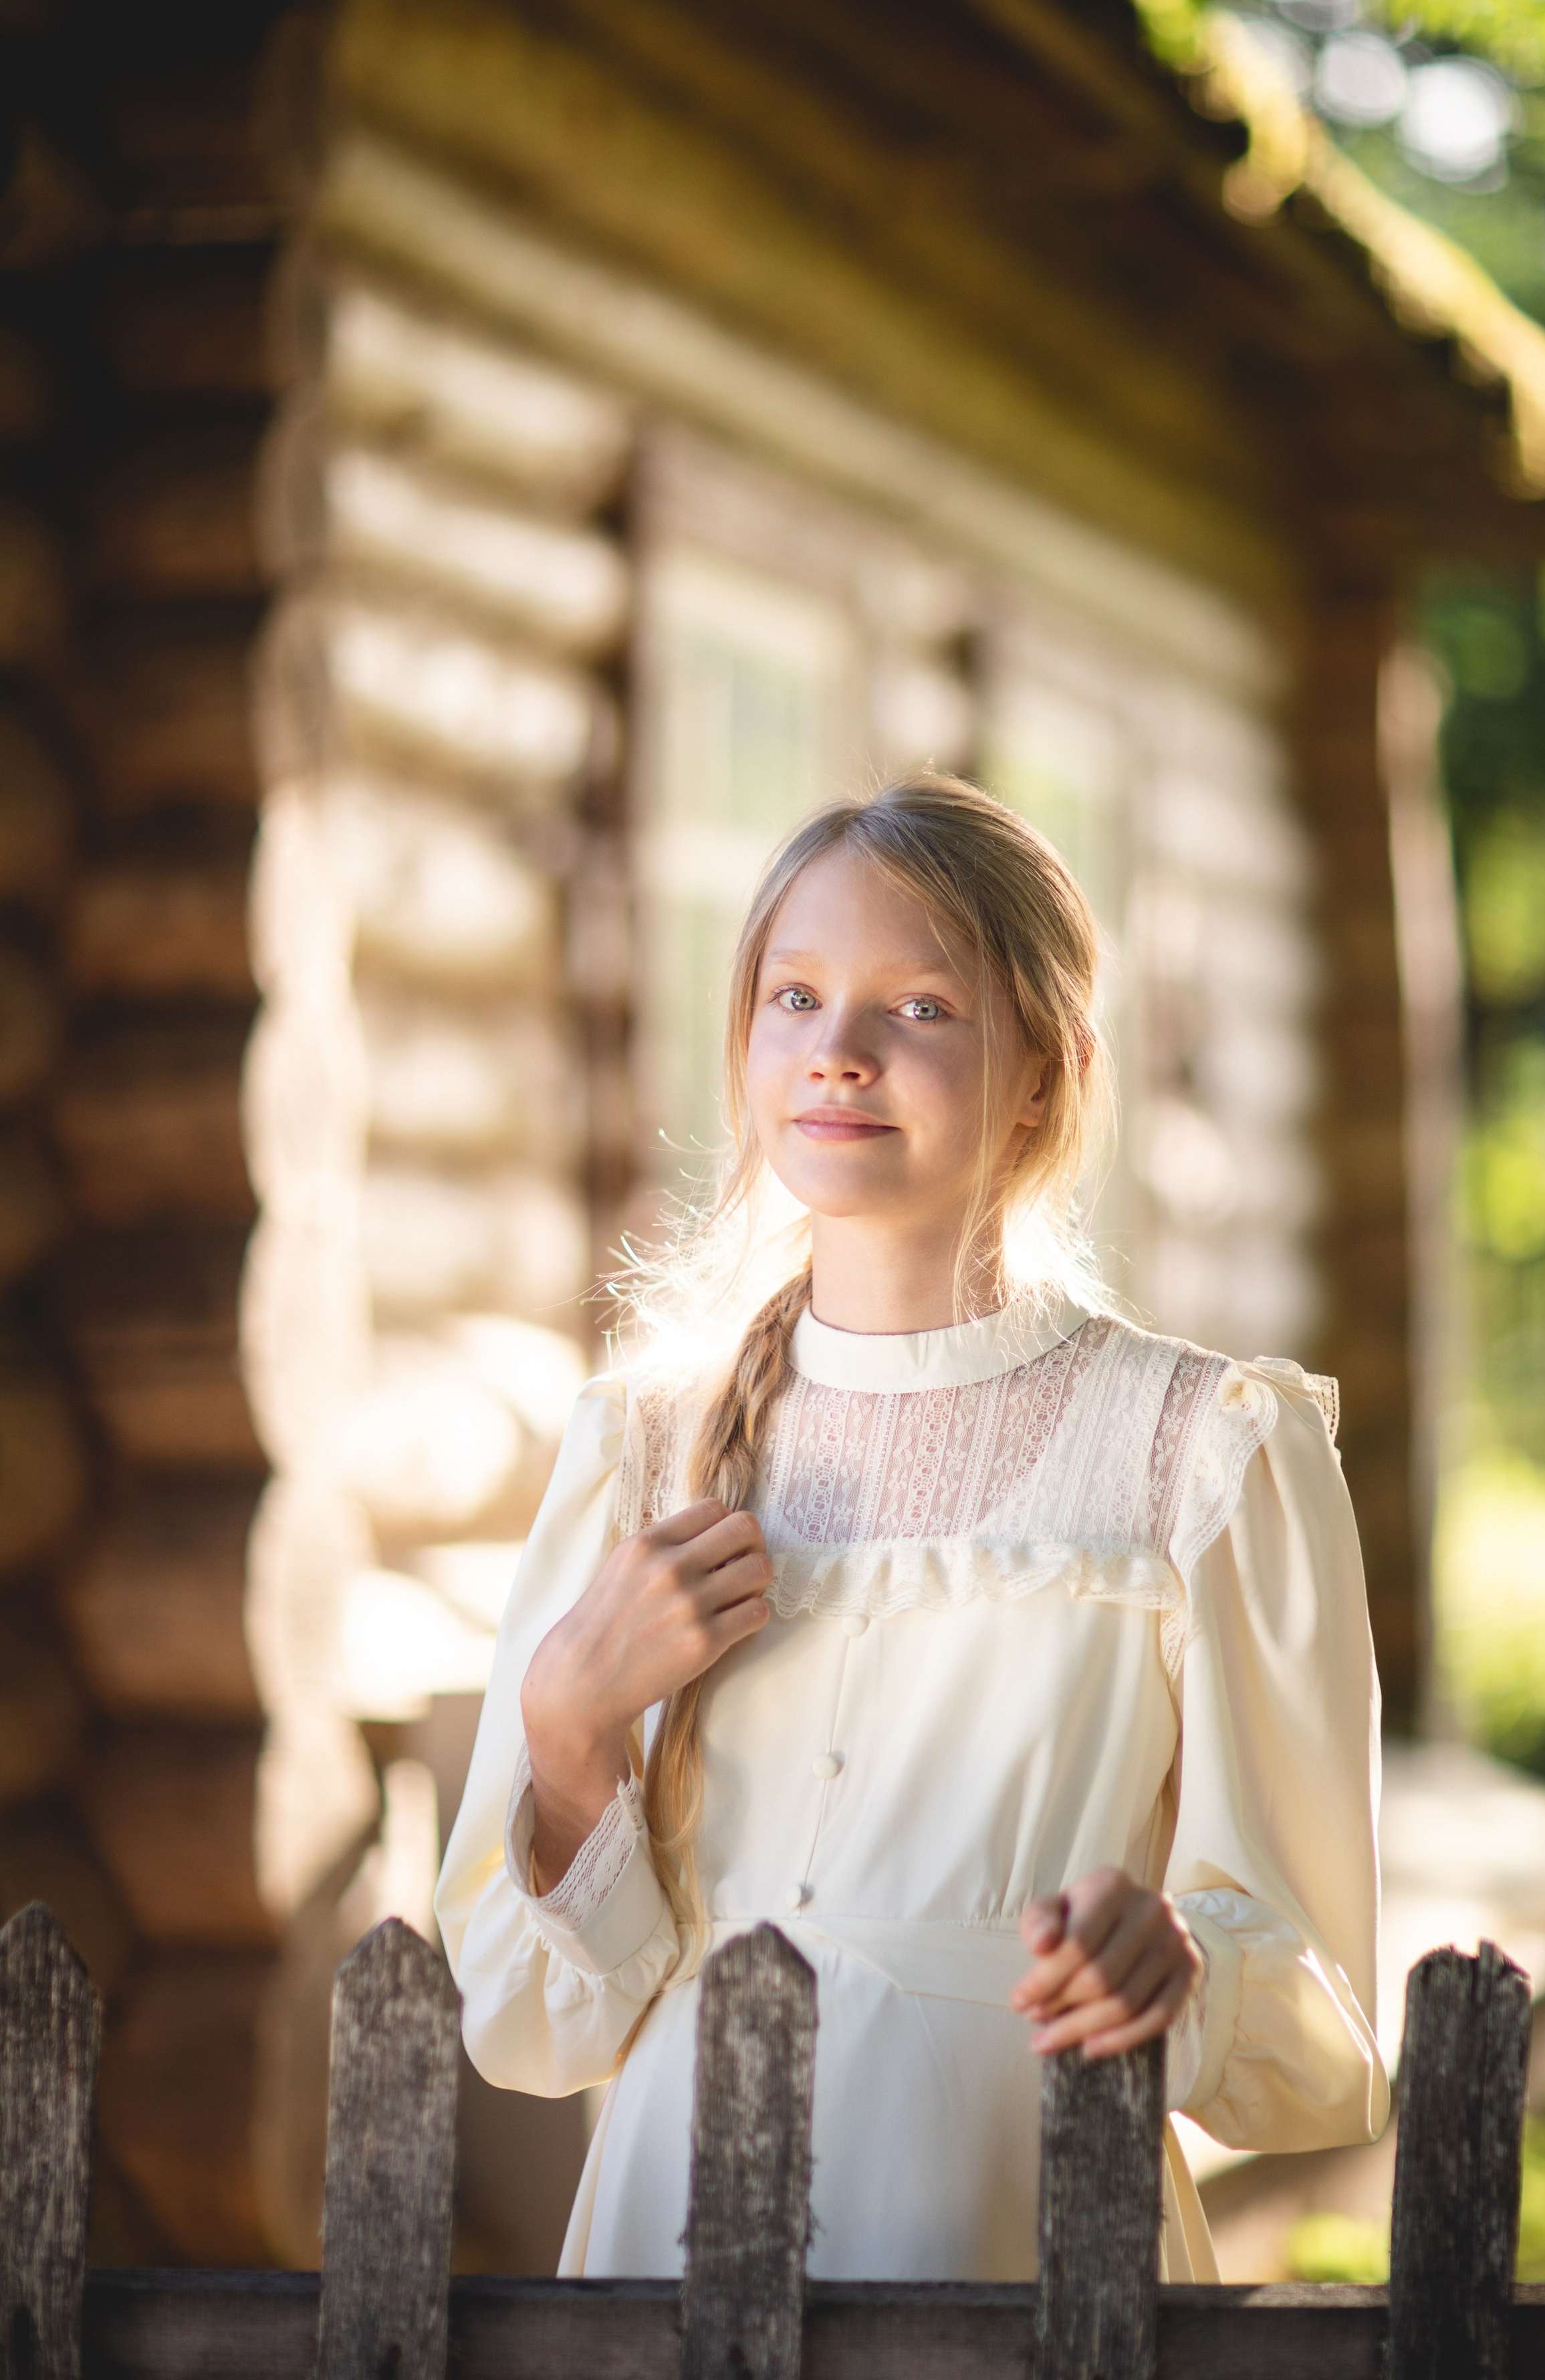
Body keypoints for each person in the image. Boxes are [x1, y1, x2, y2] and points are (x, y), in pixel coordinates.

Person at [436, 774, 1388, 2280]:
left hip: (1022, 2230)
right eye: (795, 999)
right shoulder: (641, 1449)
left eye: (920, 1009)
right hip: (672, 2231)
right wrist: (565, 1727)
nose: (839, 1055)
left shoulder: (1203, 1453)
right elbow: (532, 2028)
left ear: (1042, 1073)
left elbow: (1314, 2023)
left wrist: (1179, 1964)